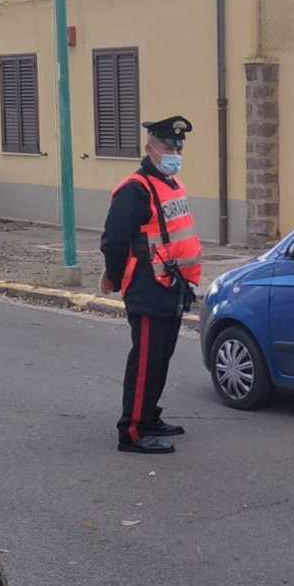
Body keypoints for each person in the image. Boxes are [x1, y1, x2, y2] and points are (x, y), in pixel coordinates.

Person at [100, 116, 202, 454]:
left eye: (178, 146)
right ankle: (131, 430)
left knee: (161, 357)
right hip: (147, 286)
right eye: (166, 146)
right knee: (145, 360)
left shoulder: (171, 184)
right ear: (149, 148)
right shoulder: (135, 189)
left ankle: (149, 416)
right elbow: (114, 240)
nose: (174, 151)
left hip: (172, 286)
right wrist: (113, 277)